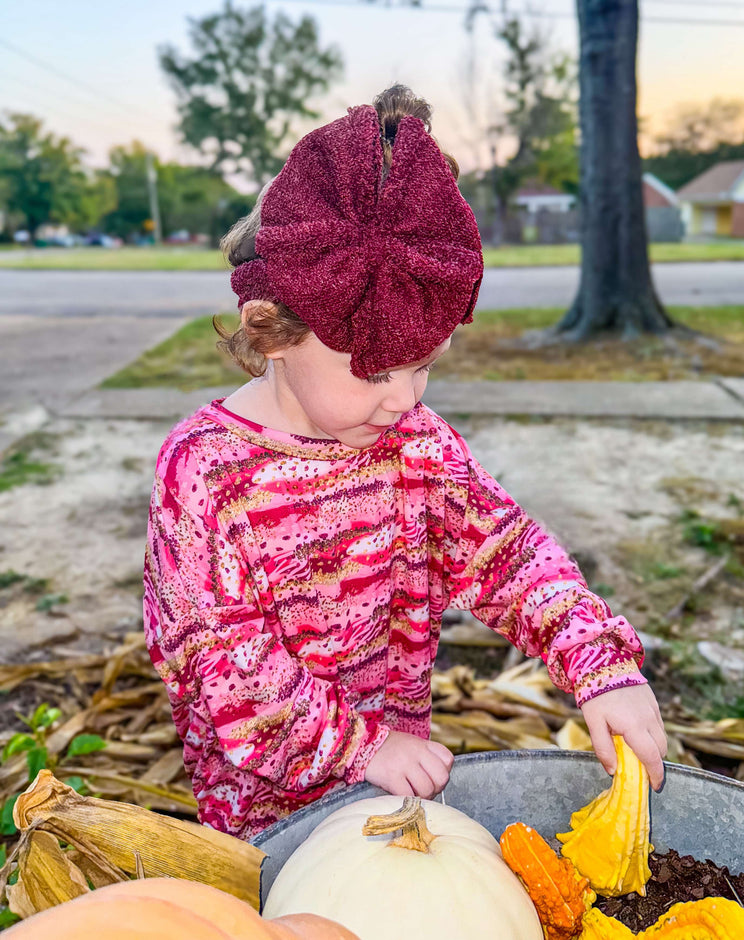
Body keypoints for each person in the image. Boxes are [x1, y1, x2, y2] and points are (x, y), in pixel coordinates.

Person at [143, 85, 667, 841]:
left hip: (390, 800)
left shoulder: (417, 446)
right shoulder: (204, 475)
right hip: (262, 824)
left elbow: (507, 554)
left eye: (423, 366)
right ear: (273, 332)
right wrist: (365, 746)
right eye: (375, 370)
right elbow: (224, 665)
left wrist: (598, 663)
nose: (402, 398)